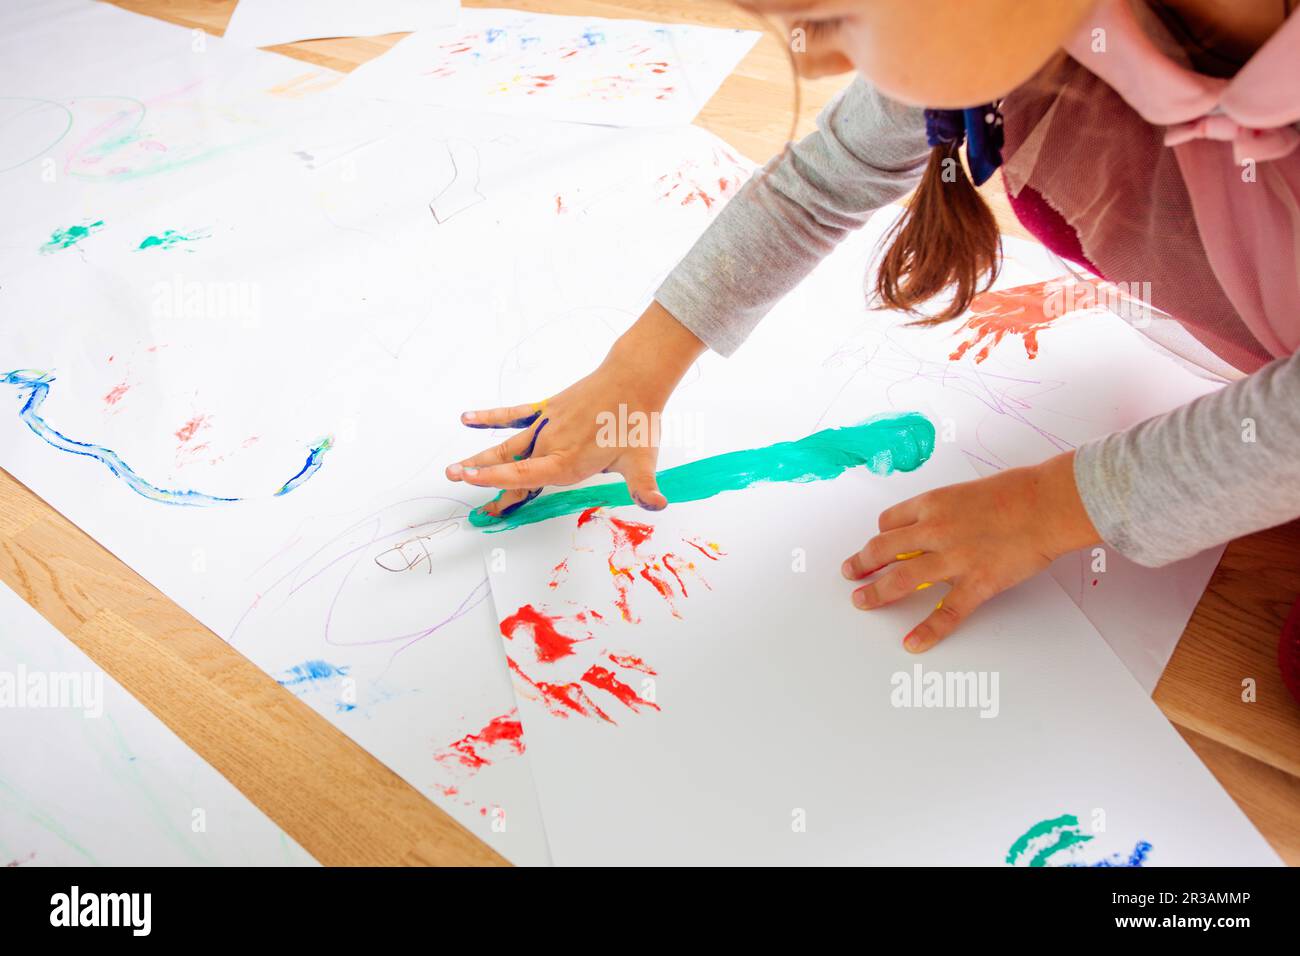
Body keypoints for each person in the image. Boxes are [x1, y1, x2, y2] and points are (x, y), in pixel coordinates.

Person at [446, 0, 1300, 655]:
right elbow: (820, 182)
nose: (813, 53)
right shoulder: (1000, 27)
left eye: (834, 12)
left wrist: (1049, 507)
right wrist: (638, 369)